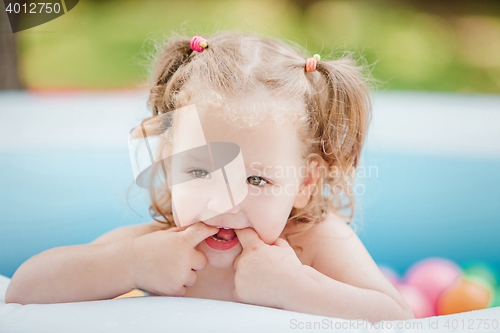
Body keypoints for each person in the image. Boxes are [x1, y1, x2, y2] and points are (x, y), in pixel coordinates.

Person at [5, 32, 414, 322]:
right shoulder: (154, 248)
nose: (224, 202)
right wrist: (129, 266)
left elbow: (398, 319)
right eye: (200, 171)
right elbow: (24, 292)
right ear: (168, 164)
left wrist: (296, 288)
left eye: (256, 181)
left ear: (304, 183)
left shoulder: (312, 242)